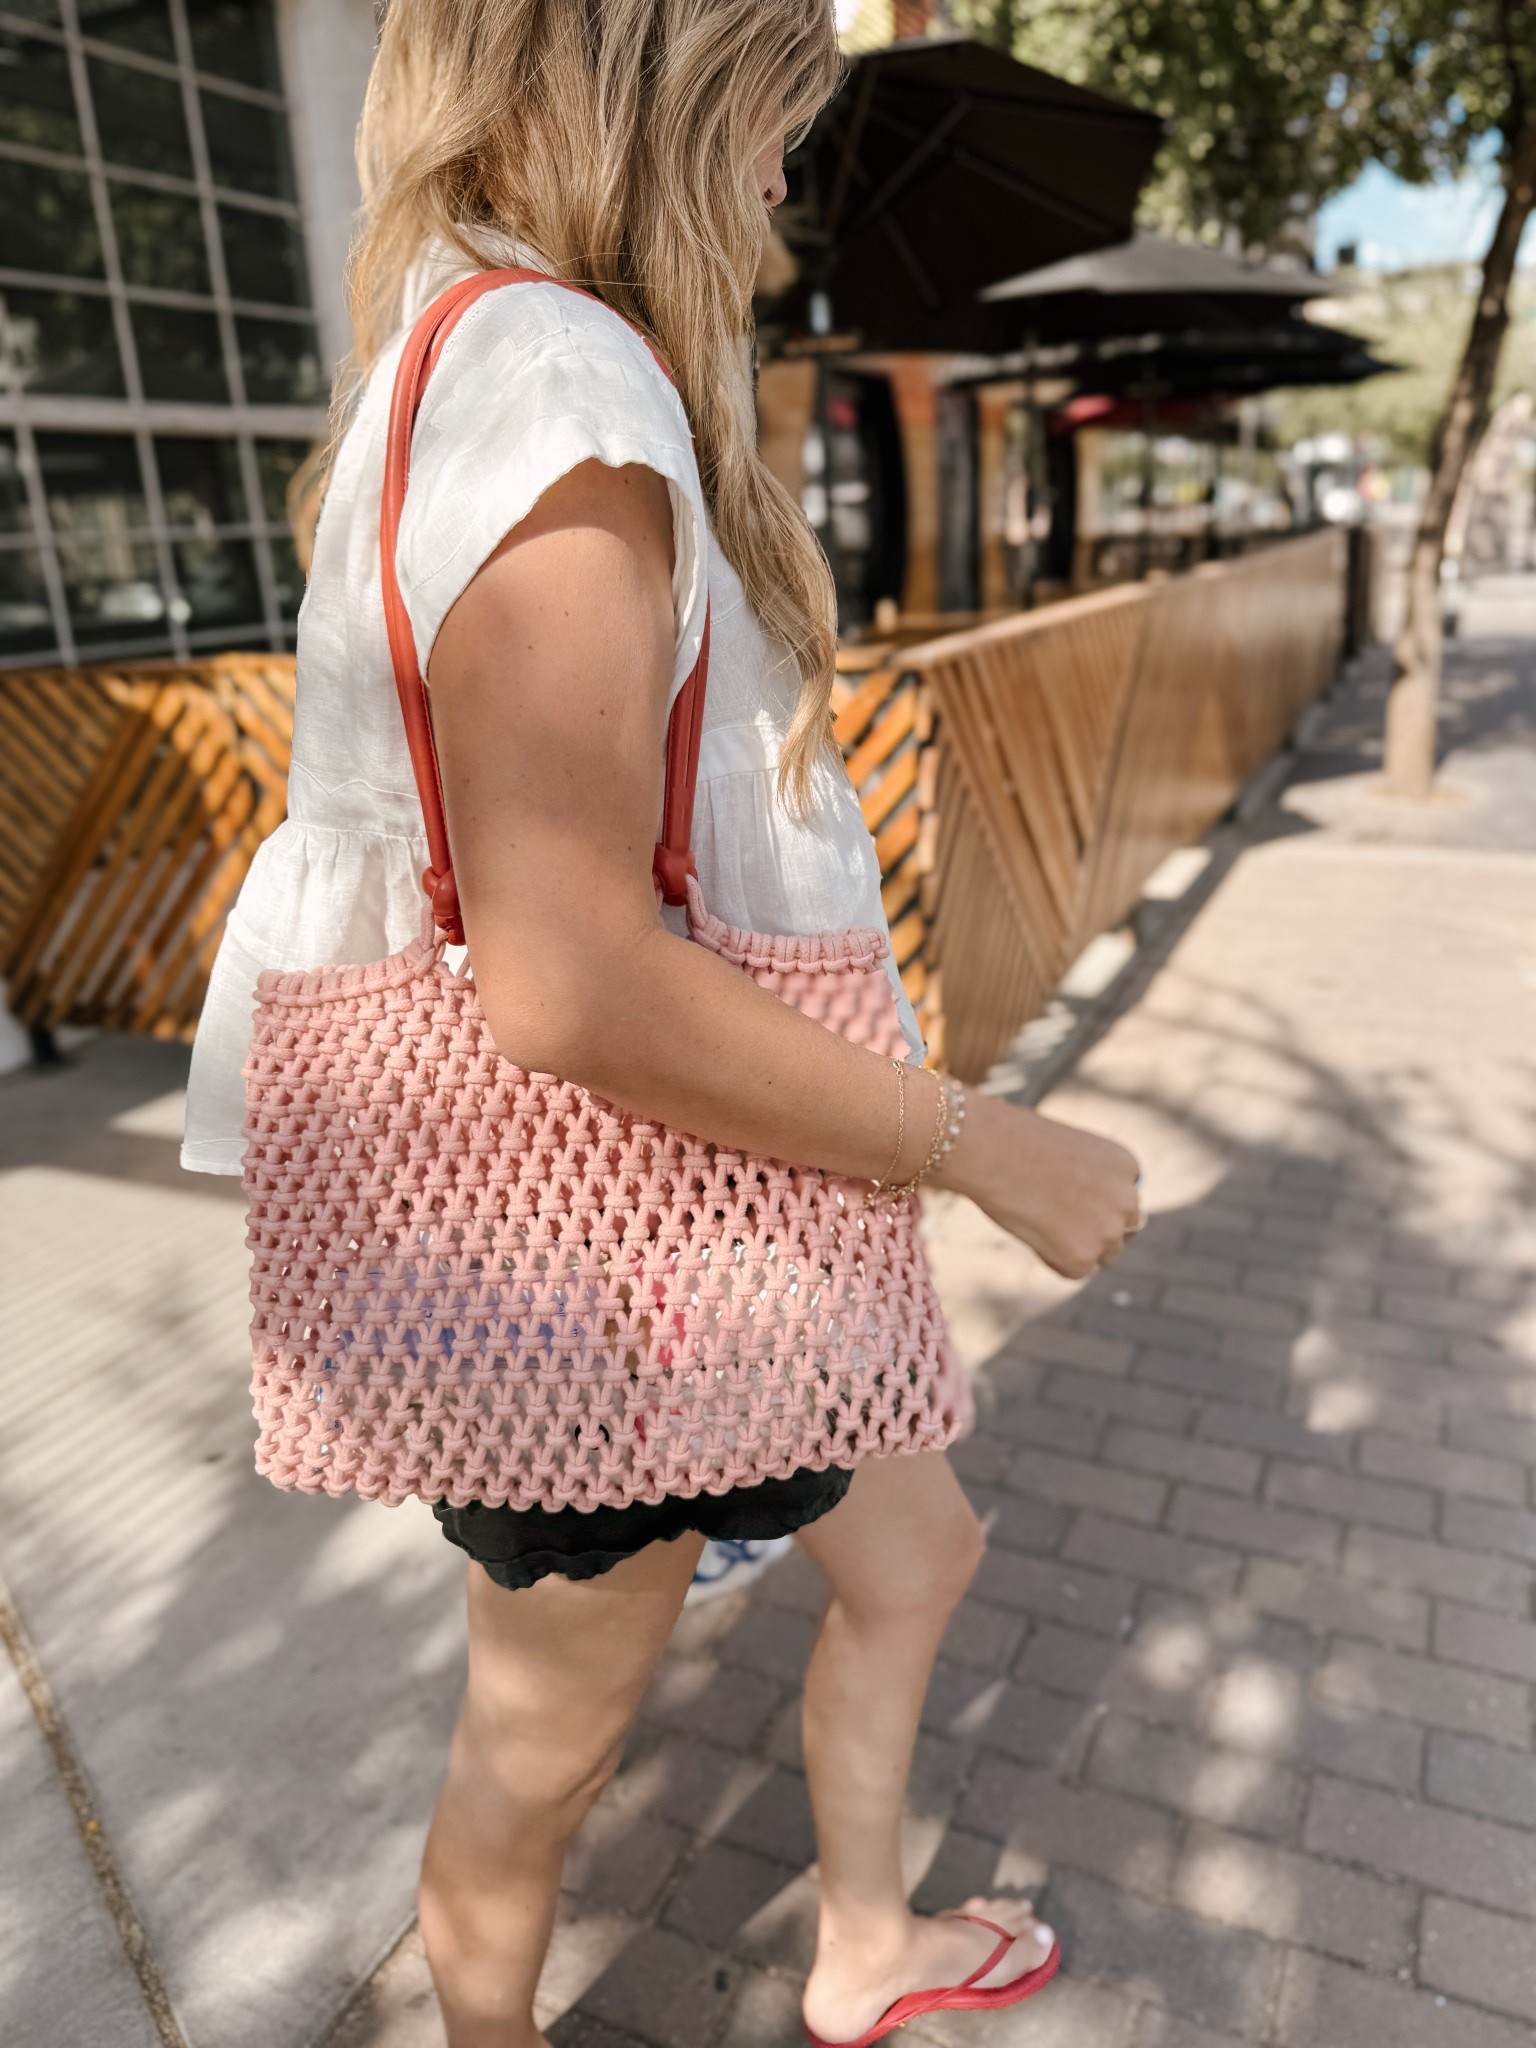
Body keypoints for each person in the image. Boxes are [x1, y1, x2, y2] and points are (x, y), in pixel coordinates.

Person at [180, 1, 1141, 2041]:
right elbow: (569, 976)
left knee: (919, 1545)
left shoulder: (490, 350)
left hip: (722, 1235)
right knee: (532, 1767)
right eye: (772, 108)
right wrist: (990, 1144)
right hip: (609, 1258)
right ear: (653, 83)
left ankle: (864, 1948)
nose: (789, 167)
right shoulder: (550, 375)